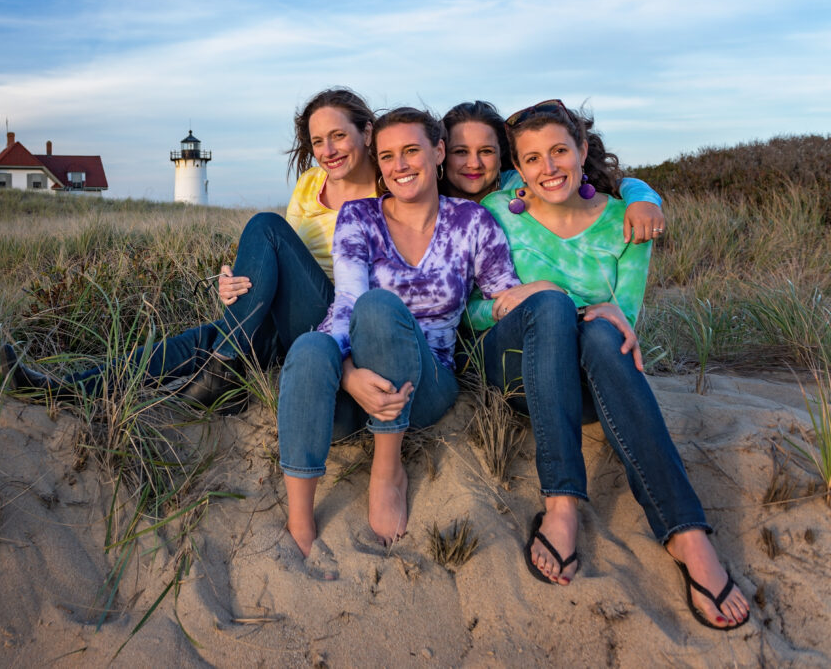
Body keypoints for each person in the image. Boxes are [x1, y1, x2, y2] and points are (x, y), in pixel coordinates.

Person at [468, 99, 749, 630]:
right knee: (550, 304)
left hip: (592, 386)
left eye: (559, 152)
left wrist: (643, 193)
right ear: (518, 169)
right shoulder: (499, 214)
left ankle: (687, 533)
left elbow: (626, 326)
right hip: (514, 369)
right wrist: (538, 292)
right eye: (532, 159)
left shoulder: (626, 223)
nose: (548, 168)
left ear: (583, 151)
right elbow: (475, 313)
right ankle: (562, 505)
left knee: (604, 328)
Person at [3, 88, 378, 411]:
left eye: (338, 136)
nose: (327, 150)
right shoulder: (311, 182)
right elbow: (292, 257)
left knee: (265, 225)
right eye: (317, 141)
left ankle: (224, 368)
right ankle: (66, 389)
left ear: (366, 132)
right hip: (290, 320)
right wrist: (245, 285)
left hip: (338, 323)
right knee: (200, 339)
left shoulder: (387, 191)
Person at [277, 107, 520, 570]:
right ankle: (301, 516)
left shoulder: (470, 221)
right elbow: (346, 301)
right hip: (362, 385)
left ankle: (387, 471)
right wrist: (347, 375)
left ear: (438, 152)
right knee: (312, 345)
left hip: (426, 385)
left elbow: (501, 297)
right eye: (387, 156)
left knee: (380, 305)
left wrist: (549, 294)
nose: (400, 165)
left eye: (411, 151)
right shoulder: (359, 216)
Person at [438, 100, 666, 243]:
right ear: (441, 153)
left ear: (502, 155)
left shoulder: (520, 184)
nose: (474, 163)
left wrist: (642, 200)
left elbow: (614, 184)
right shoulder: (431, 198)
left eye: (486, 151)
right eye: (460, 152)